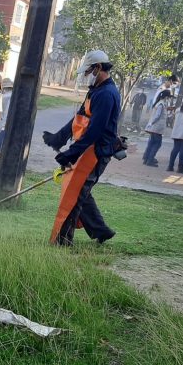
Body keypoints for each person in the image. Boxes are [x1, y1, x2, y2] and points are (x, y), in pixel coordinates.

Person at [42, 50, 120, 246]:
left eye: (88, 71)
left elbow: (95, 131)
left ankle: (62, 241)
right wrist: (58, 139)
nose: (86, 76)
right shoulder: (95, 91)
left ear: (98, 68)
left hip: (97, 152)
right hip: (87, 149)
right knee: (81, 192)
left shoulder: (107, 94)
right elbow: (79, 117)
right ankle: (101, 231)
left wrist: (71, 154)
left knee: (75, 194)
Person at [142, 89, 172, 167]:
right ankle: (150, 159)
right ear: (166, 97)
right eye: (169, 97)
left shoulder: (160, 103)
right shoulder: (161, 104)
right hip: (157, 128)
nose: (169, 99)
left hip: (155, 127)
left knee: (152, 143)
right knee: (157, 144)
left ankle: (146, 158)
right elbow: (157, 116)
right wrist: (152, 123)